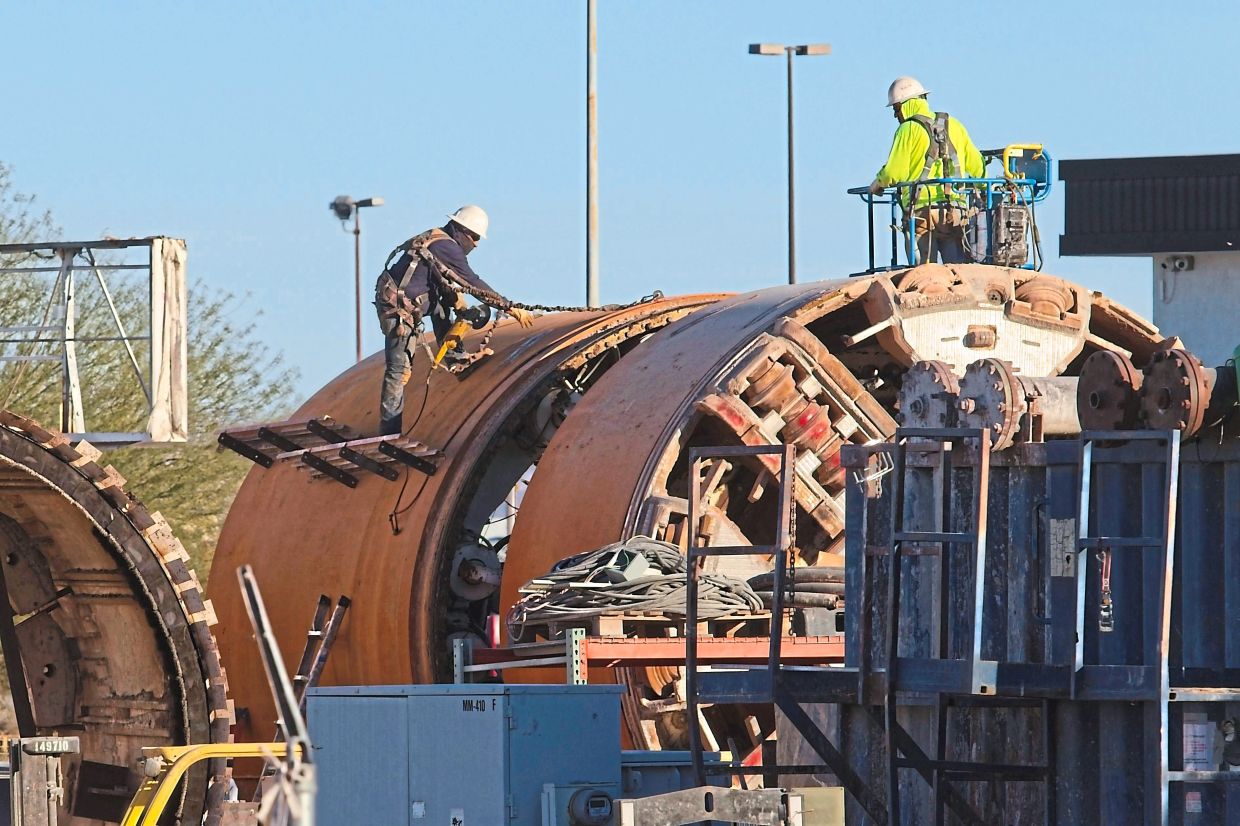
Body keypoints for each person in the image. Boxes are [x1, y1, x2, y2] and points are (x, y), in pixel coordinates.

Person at [374, 205, 533, 436]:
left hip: (412, 302)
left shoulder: (437, 239)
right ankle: (389, 433)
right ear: (462, 230)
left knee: (444, 305)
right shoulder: (446, 246)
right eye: (475, 237)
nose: (477, 244)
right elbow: (471, 282)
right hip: (400, 311)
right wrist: (508, 307)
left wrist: (455, 300)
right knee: (398, 371)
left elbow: (439, 279)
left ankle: (455, 358)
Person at [867, 76, 984, 265]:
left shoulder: (908, 129)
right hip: (956, 212)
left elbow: (893, 172)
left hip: (922, 213)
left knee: (925, 277)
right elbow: (977, 166)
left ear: (906, 105)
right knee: (959, 273)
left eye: (896, 108)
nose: (895, 115)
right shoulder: (954, 125)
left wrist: (877, 184)